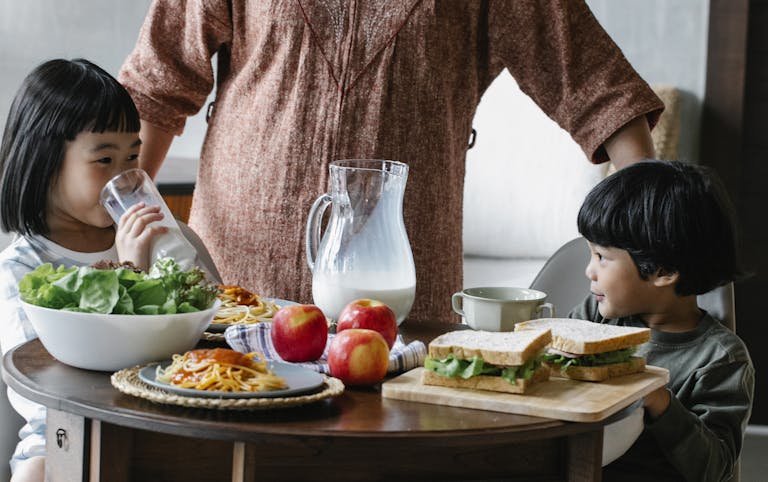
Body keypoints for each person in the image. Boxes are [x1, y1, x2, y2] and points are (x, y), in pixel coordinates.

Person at [119, 0, 664, 323]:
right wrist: (118, 229)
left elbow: (597, 87)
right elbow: (155, 85)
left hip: (403, 303)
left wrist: (654, 235)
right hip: (230, 289)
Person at [0, 58, 197, 482]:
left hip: (163, 420)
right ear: (46, 161)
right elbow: (46, 387)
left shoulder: (158, 237)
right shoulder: (22, 268)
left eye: (132, 158)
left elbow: (213, 317)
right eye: (104, 160)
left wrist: (177, 246)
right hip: (65, 433)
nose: (123, 178)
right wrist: (128, 271)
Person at [569, 160, 754, 482]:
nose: (589, 270)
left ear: (663, 271)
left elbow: (715, 468)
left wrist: (659, 399)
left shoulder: (719, 360)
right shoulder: (593, 318)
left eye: (602, 257)